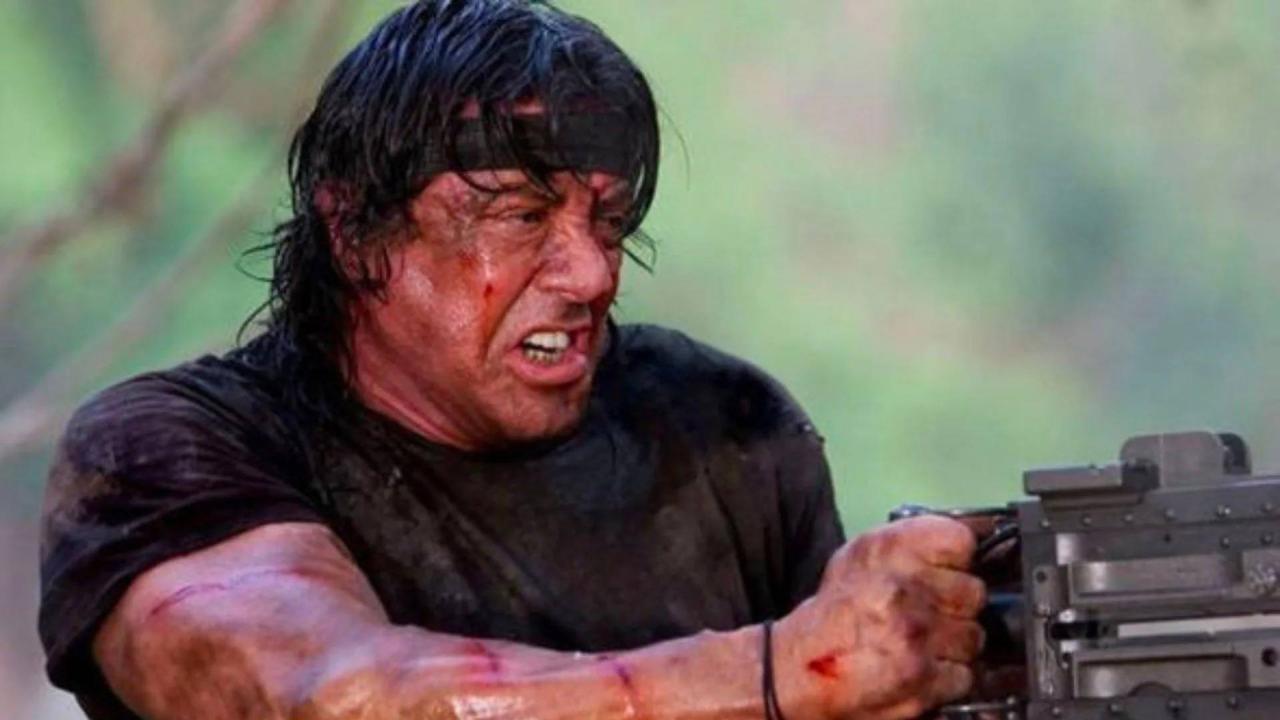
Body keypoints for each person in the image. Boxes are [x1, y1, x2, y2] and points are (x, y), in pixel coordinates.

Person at [38, 2, 986, 719]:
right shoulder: (167, 450)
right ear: (357, 233)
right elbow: (329, 698)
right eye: (522, 216)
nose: (592, 272)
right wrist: (778, 674)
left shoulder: (721, 425)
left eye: (608, 221)